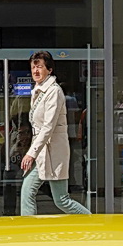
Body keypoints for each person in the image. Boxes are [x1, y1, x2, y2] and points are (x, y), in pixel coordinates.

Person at [19, 50, 90, 215]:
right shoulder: (38, 90)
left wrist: (31, 153)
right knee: (27, 192)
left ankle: (92, 223)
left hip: (52, 152)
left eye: (40, 67)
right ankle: (27, 231)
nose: (36, 71)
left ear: (49, 70)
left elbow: (48, 127)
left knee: (62, 200)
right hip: (42, 152)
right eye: (33, 68)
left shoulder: (54, 91)